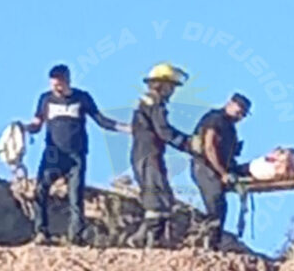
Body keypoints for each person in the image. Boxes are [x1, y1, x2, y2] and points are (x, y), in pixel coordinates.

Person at [22, 64, 131, 245]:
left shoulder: (82, 98)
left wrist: (127, 128)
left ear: (67, 81)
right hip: (53, 153)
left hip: (76, 155)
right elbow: (37, 123)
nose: (56, 88)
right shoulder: (45, 100)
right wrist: (24, 128)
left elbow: (101, 120)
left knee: (76, 196)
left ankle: (76, 236)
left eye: (60, 85)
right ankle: (41, 232)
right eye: (53, 85)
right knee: (40, 190)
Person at [127, 63, 201, 248]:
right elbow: (163, 130)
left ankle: (145, 239)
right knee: (157, 202)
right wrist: (187, 143)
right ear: (161, 85)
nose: (172, 91)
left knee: (163, 198)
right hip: (149, 156)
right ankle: (146, 242)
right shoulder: (154, 103)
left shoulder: (146, 103)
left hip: (145, 155)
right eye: (171, 86)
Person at [190, 93, 251, 250]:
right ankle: (208, 246)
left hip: (218, 169)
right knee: (216, 207)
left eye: (243, 114)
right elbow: (209, 147)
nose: (240, 116)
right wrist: (222, 173)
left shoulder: (230, 128)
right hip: (205, 168)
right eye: (239, 111)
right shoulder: (215, 119)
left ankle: (212, 244)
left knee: (220, 207)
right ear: (229, 103)